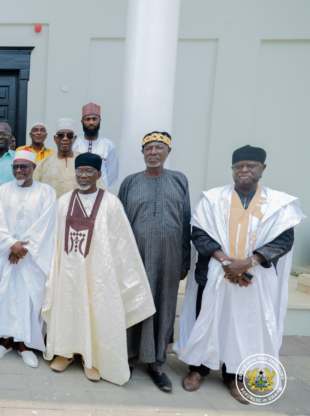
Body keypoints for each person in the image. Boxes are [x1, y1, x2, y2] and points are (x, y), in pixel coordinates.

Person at [174, 145, 305, 404]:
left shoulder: (278, 203)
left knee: (246, 326)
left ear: (262, 168)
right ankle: (198, 370)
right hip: (215, 273)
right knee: (207, 321)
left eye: (250, 165)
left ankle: (235, 376)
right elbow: (199, 234)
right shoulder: (212, 199)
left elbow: (284, 240)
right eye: (239, 166)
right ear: (232, 169)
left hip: (255, 278)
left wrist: (248, 263)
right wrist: (226, 262)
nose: (244, 170)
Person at [43, 153, 155, 383]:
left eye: (89, 171)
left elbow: (122, 242)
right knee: (67, 308)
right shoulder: (63, 202)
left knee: (96, 312)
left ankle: (91, 358)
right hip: (68, 272)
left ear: (99, 174)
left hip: (98, 273)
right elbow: (54, 240)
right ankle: (65, 352)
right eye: (79, 171)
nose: (83, 176)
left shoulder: (111, 203)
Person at [118, 132, 191, 392]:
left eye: (159, 148)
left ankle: (157, 362)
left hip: (169, 257)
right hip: (135, 256)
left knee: (164, 304)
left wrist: (185, 258)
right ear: (142, 153)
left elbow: (186, 220)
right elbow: (119, 222)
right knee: (133, 301)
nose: (153, 152)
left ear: (168, 152)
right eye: (148, 148)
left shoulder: (179, 180)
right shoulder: (130, 182)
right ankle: (128, 357)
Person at [0, 149, 57, 368]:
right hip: (6, 255)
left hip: (32, 259)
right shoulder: (2, 190)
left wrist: (23, 248)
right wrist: (11, 244)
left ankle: (25, 345)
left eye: (24, 166)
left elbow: (47, 224)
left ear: (33, 167)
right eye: (15, 166)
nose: (19, 170)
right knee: (4, 297)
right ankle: (5, 342)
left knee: (28, 300)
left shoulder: (46, 192)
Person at [34, 118, 106, 198]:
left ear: (74, 138)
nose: (65, 139)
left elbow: (101, 188)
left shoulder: (86, 161)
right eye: (61, 135)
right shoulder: (42, 164)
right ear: (55, 138)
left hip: (82, 205)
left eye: (69, 136)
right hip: (52, 206)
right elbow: (34, 191)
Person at [72, 102, 118, 190]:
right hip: (77, 190)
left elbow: (112, 174)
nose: (91, 122)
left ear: (99, 120)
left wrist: (104, 189)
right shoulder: (74, 144)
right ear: (82, 122)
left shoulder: (109, 145)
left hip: (101, 191)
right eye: (87, 119)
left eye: (94, 119)